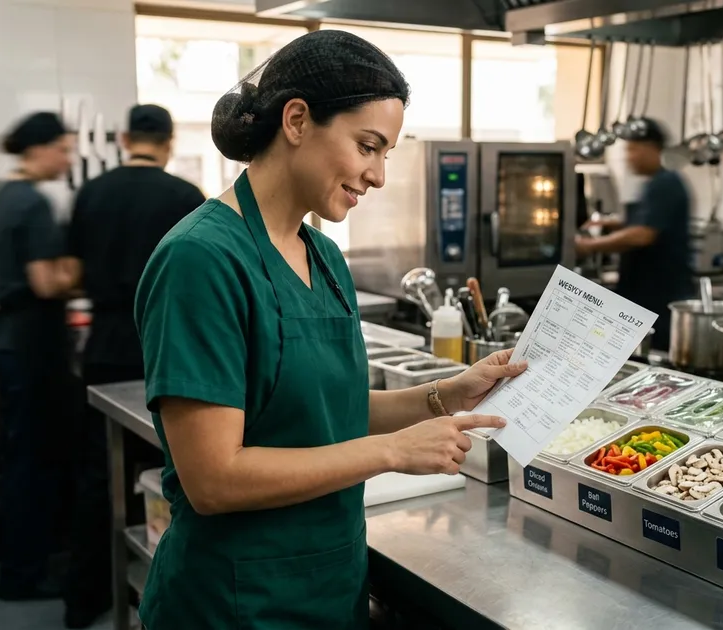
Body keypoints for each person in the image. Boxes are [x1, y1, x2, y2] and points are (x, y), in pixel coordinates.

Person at [134, 30, 526, 629]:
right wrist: (391, 452)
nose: (378, 175)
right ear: (296, 120)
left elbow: (324, 410)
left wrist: (446, 395)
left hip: (328, 590)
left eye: (386, 153)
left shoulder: (323, 256)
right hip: (236, 602)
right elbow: (214, 478)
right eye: (368, 146)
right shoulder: (200, 259)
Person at [61, 104, 205, 628]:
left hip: (104, 344)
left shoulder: (91, 193)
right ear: (168, 142)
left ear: (125, 138)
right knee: (165, 472)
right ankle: (160, 585)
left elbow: (73, 273)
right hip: (165, 345)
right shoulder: (185, 197)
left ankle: (82, 599)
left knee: (99, 472)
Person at [0, 112, 80, 601]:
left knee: (21, 455)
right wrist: (82, 271)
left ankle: (21, 567)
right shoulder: (34, 204)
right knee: (35, 461)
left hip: (6, 338)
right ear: (38, 149)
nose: (67, 160)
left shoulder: (2, 197)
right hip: (33, 344)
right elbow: (47, 282)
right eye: (62, 149)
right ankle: (26, 576)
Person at [574, 118, 693, 351]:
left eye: (634, 149)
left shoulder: (665, 183)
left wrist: (590, 245)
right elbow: (642, 223)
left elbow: (642, 235)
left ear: (653, 148)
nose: (629, 157)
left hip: (658, 298)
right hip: (644, 296)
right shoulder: (654, 185)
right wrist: (610, 223)